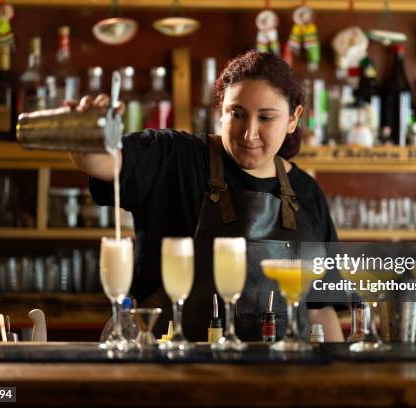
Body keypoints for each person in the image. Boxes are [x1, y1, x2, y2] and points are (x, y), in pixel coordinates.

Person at [71, 50, 344, 342]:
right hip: (174, 369)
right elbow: (101, 161)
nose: (249, 133)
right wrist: (88, 135)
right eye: (236, 114)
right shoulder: (175, 158)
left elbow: (320, 310)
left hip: (282, 376)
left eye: (266, 117)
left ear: (294, 118)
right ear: (220, 110)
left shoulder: (306, 192)